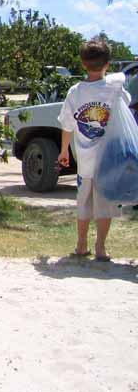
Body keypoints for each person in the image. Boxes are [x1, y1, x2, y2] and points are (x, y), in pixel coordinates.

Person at [57, 39, 130, 262]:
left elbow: (67, 123)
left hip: (86, 160)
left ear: (82, 64)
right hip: (109, 160)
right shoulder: (115, 89)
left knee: (83, 201)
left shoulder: (75, 92)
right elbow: (126, 106)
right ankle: (100, 247)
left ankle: (81, 244)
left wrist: (64, 151)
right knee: (104, 204)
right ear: (107, 64)